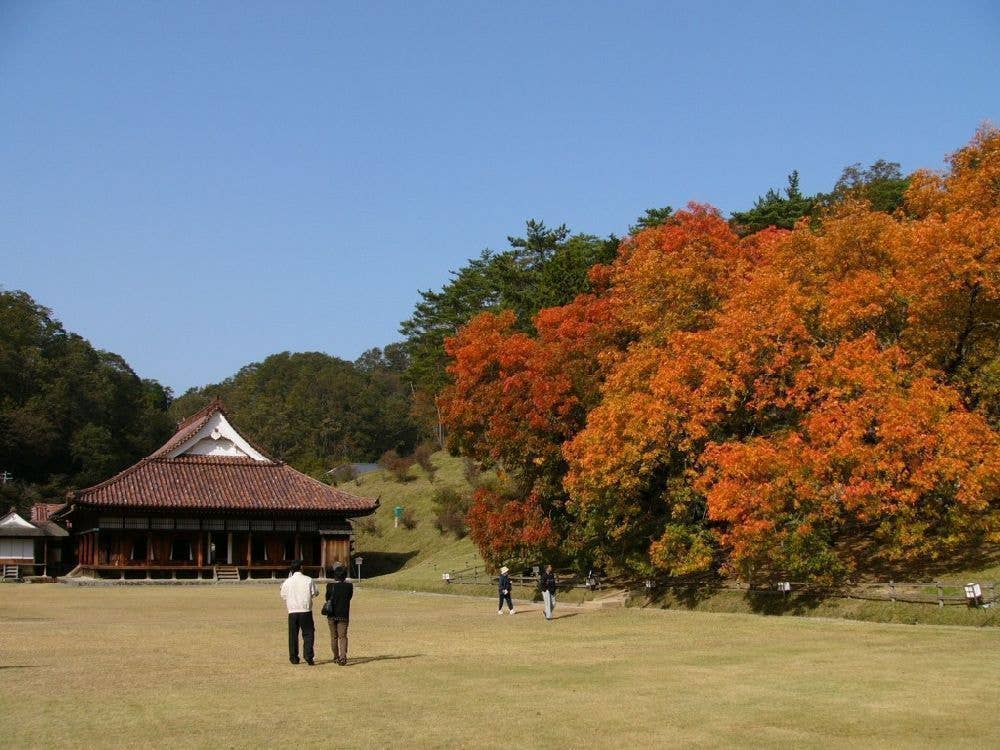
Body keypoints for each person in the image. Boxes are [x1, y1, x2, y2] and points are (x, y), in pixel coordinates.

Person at [280, 559, 317, 665]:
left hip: (292, 611)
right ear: (301, 568)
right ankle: (308, 656)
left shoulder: (287, 582)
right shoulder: (308, 580)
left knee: (293, 635)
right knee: (308, 633)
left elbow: (283, 595)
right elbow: (314, 593)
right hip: (305, 610)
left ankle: (294, 658)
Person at [324, 565, 354, 665]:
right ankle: (343, 657)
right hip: (343, 614)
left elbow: (327, 598)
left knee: (334, 637)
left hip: (331, 614)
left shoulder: (329, 586)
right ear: (345, 576)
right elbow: (349, 597)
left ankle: (335, 656)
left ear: (335, 576)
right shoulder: (349, 586)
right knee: (343, 636)